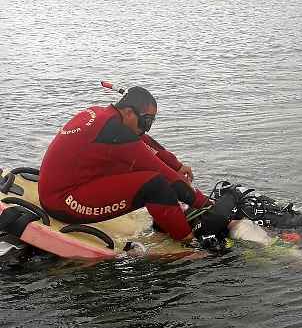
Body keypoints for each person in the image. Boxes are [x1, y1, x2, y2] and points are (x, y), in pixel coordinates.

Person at [39, 86, 228, 243]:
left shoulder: (103, 116)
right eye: (146, 121)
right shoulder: (114, 132)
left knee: (148, 174)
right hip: (62, 202)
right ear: (129, 112)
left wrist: (176, 165)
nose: (147, 127)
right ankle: (188, 244)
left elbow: (142, 141)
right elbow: (160, 171)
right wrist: (207, 205)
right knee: (156, 185)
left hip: (58, 189)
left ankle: (169, 224)